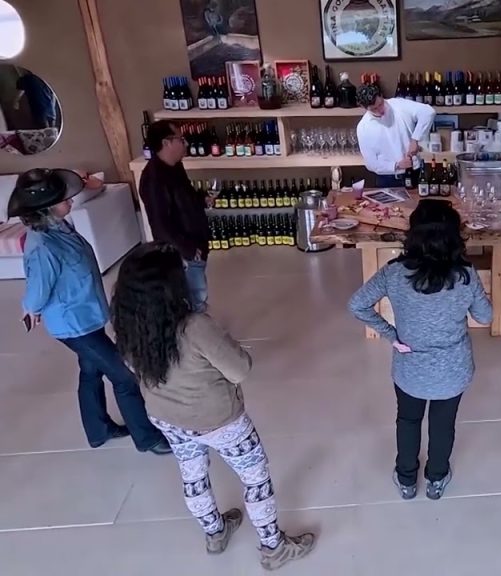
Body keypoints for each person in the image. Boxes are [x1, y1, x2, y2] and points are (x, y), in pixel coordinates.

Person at [110, 242, 316, 570]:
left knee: (192, 475)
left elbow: (133, 367)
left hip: (166, 417)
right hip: (220, 420)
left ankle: (215, 534)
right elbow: (240, 369)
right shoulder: (195, 326)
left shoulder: (126, 325)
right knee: (255, 478)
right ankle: (273, 548)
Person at [10, 168, 170, 454]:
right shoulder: (43, 245)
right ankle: (147, 439)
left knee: (90, 370)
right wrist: (30, 308)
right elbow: (38, 287)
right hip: (73, 325)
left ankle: (98, 431)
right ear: (46, 208)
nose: (70, 201)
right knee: (124, 376)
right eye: (63, 200)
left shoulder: (60, 227)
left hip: (86, 316)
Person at [349, 199, 492, 500]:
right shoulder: (465, 274)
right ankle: (436, 478)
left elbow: (357, 304)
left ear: (412, 234)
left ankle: (406, 480)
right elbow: (485, 316)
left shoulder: (394, 273)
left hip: (409, 366)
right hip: (452, 370)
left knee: (408, 419)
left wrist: (391, 335)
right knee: (443, 424)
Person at [139, 120, 211, 312]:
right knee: (194, 297)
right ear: (166, 143)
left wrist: (202, 199)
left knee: (197, 293)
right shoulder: (154, 180)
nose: (186, 143)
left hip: (196, 244)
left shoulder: (175, 167)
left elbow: (185, 196)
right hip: (184, 253)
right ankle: (196, 327)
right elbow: (160, 226)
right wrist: (189, 250)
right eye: (181, 139)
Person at [355, 84, 436, 188]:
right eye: (374, 109)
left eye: (380, 104)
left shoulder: (399, 105)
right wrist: (397, 165)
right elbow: (371, 163)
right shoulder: (363, 127)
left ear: (381, 96)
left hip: (415, 173)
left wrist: (415, 139)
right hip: (387, 179)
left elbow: (428, 112)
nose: (380, 110)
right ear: (364, 108)